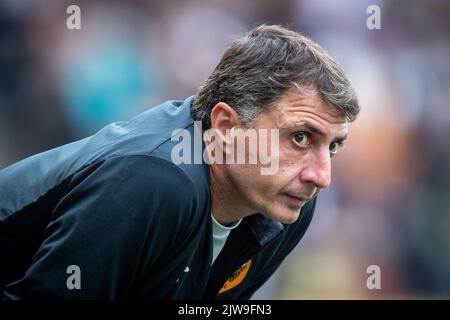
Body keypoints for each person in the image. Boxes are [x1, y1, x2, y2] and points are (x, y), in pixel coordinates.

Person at [0, 24, 360, 299]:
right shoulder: (154, 181)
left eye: (332, 147)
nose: (321, 176)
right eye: (300, 137)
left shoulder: (283, 207)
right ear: (226, 126)